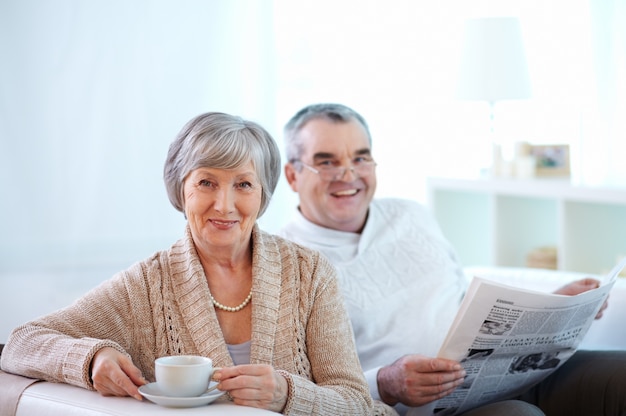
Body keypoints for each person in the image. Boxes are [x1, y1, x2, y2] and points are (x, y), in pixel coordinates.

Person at [0, 111, 396, 415]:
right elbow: (20, 343)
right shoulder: (146, 284)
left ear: (263, 194)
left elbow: (355, 402)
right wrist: (90, 360)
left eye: (243, 184)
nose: (224, 205)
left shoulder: (309, 273)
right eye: (206, 182)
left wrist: (287, 394)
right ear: (181, 189)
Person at [279, 103, 626, 416]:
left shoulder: (410, 215)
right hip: (427, 409)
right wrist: (384, 383)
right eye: (327, 162)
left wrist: (552, 304)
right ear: (293, 175)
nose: (348, 174)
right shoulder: (286, 263)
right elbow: (298, 387)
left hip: (510, 374)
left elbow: (465, 303)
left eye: (360, 157)